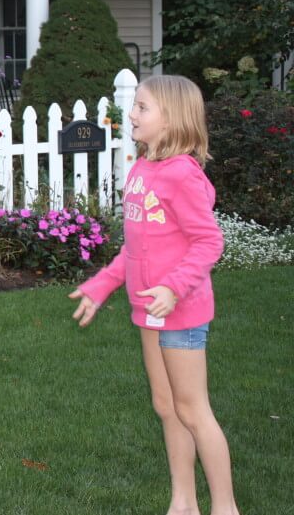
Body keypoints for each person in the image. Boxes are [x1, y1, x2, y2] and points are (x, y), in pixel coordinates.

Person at [69, 74, 239, 515]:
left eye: (143, 107)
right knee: (166, 406)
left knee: (193, 410)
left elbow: (208, 242)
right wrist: (102, 285)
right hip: (149, 309)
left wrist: (172, 286)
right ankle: (183, 503)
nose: (132, 114)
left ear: (172, 119)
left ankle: (225, 507)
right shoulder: (143, 169)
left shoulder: (183, 175)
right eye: (135, 106)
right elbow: (136, 247)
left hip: (180, 310)